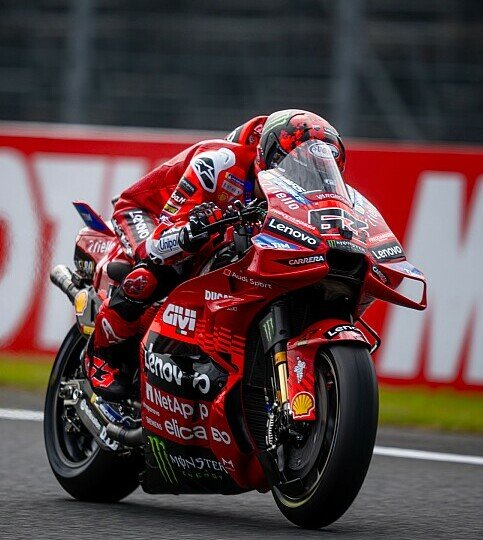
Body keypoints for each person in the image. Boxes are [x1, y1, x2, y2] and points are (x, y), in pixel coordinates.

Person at [85, 109, 347, 399]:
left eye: (311, 172)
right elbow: (159, 242)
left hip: (217, 229)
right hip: (147, 214)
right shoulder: (220, 162)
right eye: (295, 169)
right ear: (269, 157)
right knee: (151, 270)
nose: (302, 179)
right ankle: (101, 357)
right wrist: (189, 234)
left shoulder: (310, 195)